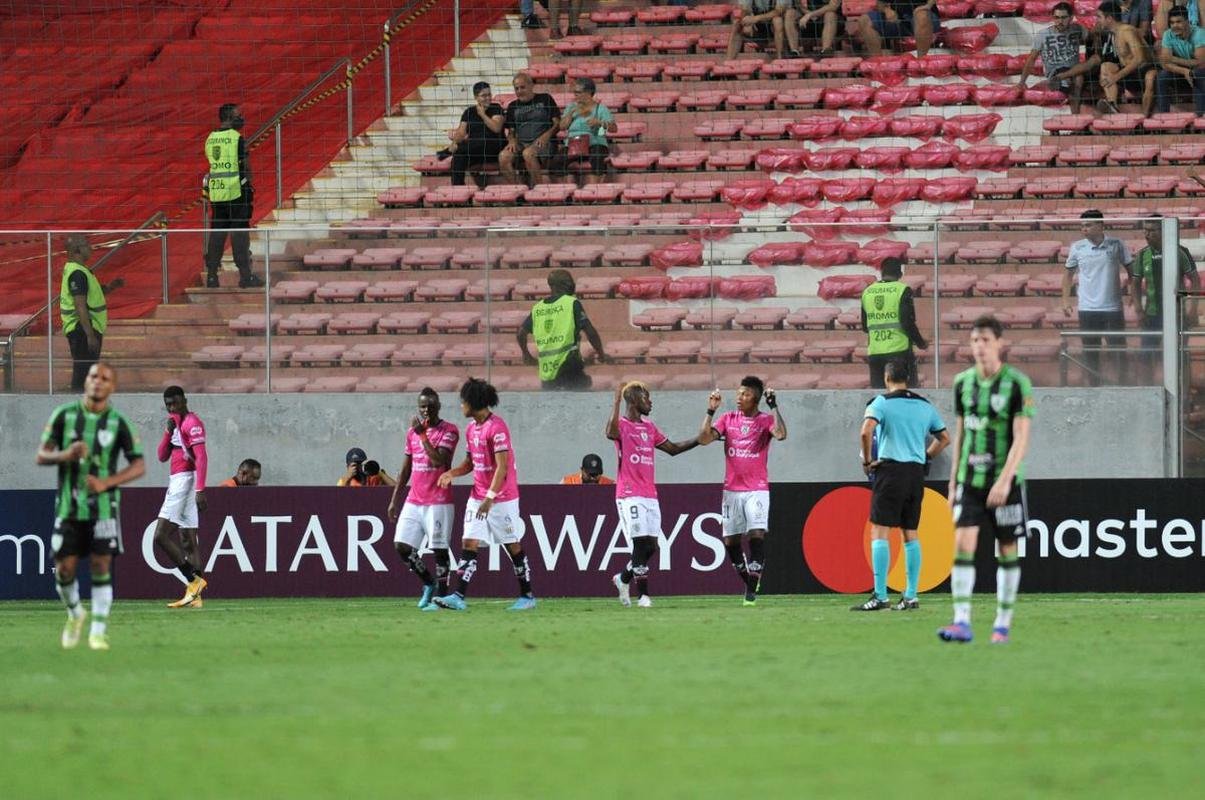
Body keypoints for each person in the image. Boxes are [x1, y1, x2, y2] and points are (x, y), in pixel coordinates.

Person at [939, 316, 1034, 645]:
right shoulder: (963, 383)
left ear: (999, 343)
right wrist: (953, 483)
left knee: (1006, 548)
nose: (978, 346)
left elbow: (1021, 438)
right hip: (970, 480)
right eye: (974, 340)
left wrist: (1005, 481)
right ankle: (961, 621)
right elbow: (962, 433)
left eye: (984, 340)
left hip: (1003, 483)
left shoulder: (1017, 384)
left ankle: (1002, 624)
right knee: (963, 543)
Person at [37, 362, 145, 651]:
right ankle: (75, 614)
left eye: (105, 378)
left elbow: (139, 464)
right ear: (85, 382)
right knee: (64, 570)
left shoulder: (119, 422)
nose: (98, 381)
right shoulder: (64, 415)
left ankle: (98, 631)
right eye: (93, 376)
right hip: (69, 508)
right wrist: (66, 454)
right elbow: (42, 455)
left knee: (100, 564)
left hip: (104, 508)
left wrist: (107, 482)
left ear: (113, 387)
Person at [853, 360, 950, 612]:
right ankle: (910, 596)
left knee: (880, 532)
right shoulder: (924, 405)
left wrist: (867, 461)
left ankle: (881, 595)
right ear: (908, 378)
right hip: (915, 474)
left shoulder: (881, 403)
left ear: (886, 378)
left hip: (890, 470)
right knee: (910, 532)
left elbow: (866, 431)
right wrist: (926, 456)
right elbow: (944, 438)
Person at [434, 378, 537, 611]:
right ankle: (458, 596)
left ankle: (527, 596)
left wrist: (490, 498)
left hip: (502, 498)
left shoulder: (497, 428)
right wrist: (452, 473)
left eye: (463, 401)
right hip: (478, 496)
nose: (461, 405)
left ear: (474, 402)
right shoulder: (471, 429)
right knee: (469, 541)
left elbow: (502, 467)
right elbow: (470, 463)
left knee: (512, 545)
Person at [606, 381, 702, 608]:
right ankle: (644, 597)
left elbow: (673, 449)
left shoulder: (650, 428)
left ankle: (623, 578)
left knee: (651, 547)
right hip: (629, 493)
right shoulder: (620, 425)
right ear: (634, 400)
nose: (650, 402)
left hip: (650, 494)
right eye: (646, 397)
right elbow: (610, 432)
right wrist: (617, 401)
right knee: (639, 543)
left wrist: (700, 439)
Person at [698, 377, 787, 605]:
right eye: (738, 394)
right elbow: (704, 439)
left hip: (757, 489)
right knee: (730, 542)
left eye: (745, 394)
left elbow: (780, 433)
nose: (739, 398)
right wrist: (710, 410)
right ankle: (749, 579)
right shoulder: (728, 419)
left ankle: (750, 592)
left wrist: (774, 406)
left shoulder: (765, 420)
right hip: (732, 490)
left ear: (756, 398)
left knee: (756, 534)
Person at [387, 388, 460, 609]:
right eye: (422, 406)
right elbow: (406, 469)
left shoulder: (449, 431)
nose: (426, 410)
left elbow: (439, 461)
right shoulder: (412, 433)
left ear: (438, 406)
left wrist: (422, 435)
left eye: (430, 405)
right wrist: (394, 500)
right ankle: (428, 583)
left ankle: (442, 598)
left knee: (439, 550)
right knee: (401, 546)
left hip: (438, 500)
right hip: (414, 500)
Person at [153, 386, 211, 610]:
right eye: (168, 405)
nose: (172, 407)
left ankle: (194, 580)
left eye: (176, 403)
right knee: (188, 539)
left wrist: (200, 489)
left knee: (160, 536)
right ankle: (195, 597)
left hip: (184, 481)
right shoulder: (175, 423)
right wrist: (168, 432)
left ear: (185, 400)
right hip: (180, 479)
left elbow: (202, 457)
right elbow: (161, 455)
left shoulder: (192, 423)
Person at [1063, 209, 1132, 386]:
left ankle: (1123, 385)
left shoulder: (1116, 244)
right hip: (1087, 309)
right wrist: (1065, 301)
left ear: (1101, 226)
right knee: (1090, 351)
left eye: (1088, 225)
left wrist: (1133, 293)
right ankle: (1093, 386)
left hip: (1112, 308)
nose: (1084, 229)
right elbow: (1068, 275)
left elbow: (1132, 271)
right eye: (1082, 226)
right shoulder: (1077, 247)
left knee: (1118, 350)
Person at [1130, 214, 1200, 384]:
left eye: (1152, 231)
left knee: (1179, 355)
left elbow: (1195, 280)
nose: (1147, 234)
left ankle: (1183, 397)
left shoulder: (1180, 252)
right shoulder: (1142, 255)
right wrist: (1139, 309)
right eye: (1145, 231)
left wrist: (1192, 308)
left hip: (1176, 314)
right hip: (1151, 315)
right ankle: (1148, 393)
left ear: (1163, 231)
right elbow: (1135, 283)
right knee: (1146, 356)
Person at [203, 103, 264, 289]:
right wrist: (249, 185)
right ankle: (245, 276)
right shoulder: (237, 138)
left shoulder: (210, 138)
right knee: (240, 236)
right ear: (229, 117)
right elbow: (245, 166)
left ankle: (212, 276)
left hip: (217, 193)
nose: (241, 118)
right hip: (237, 192)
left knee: (217, 235)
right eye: (238, 115)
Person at [517, 269, 607, 390]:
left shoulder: (538, 308)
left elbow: (521, 334)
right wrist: (601, 353)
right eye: (567, 281)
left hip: (547, 371)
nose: (570, 284)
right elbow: (590, 332)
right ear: (554, 285)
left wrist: (526, 354)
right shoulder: (571, 303)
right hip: (569, 366)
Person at [60, 234, 123, 392]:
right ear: (77, 250)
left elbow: (92, 295)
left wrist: (110, 287)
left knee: (86, 371)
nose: (90, 248)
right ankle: (79, 406)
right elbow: (80, 305)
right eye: (86, 246)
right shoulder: (77, 274)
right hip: (82, 329)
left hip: (85, 328)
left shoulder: (81, 271)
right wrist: (90, 335)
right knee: (83, 373)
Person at [861, 256, 928, 389]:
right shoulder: (902, 290)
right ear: (900, 274)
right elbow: (907, 322)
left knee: (879, 397)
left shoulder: (867, 292)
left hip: (875, 353)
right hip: (899, 352)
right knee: (906, 395)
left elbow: (865, 326)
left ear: (881, 273)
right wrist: (921, 343)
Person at [1016, 3, 1089, 113]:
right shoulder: (1043, 35)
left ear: (1071, 17)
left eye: (1064, 17)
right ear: (1052, 17)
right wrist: (1022, 82)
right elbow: (1031, 59)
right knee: (1077, 79)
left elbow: (1094, 37)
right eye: (1057, 17)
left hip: (1074, 69)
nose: (1060, 21)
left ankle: (1080, 116)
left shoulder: (1077, 29)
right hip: (1055, 72)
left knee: (1082, 77)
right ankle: (1076, 116)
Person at [438, 81, 507, 187]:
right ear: (476, 97)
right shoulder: (469, 111)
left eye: (489, 94)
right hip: (474, 150)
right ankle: (458, 191)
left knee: (476, 143)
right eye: (484, 96)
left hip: (494, 148)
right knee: (458, 157)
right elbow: (461, 132)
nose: (488, 98)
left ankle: (447, 152)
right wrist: (455, 142)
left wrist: (483, 115)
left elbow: (496, 128)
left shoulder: (496, 108)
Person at [1096, 1, 1157, 115]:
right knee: (1106, 66)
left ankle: (1144, 119)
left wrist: (1116, 77)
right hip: (1130, 73)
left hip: (1143, 72)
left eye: (1099, 17)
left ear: (1109, 18)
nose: (1097, 20)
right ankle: (1112, 104)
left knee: (1151, 77)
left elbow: (1140, 58)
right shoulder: (1115, 32)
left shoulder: (1127, 31)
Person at [500, 73, 561, 187]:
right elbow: (511, 131)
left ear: (531, 85)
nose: (519, 91)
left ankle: (540, 190)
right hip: (521, 143)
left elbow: (557, 124)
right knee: (503, 156)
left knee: (528, 154)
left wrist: (546, 135)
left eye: (522, 87)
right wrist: (512, 140)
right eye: (516, 88)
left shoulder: (545, 99)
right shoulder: (512, 106)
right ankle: (518, 190)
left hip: (544, 142)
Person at [559, 77, 617, 184]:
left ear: (589, 92)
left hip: (594, 143)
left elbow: (614, 128)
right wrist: (571, 114)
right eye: (574, 92)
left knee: (597, 157)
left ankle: (594, 191)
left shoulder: (600, 108)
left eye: (578, 92)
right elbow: (562, 126)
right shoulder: (571, 107)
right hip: (573, 144)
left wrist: (600, 123)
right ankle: (563, 191)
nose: (575, 95)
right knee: (557, 161)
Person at [1154, 6, 1205, 115]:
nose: (1175, 26)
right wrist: (1184, 71)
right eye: (1172, 23)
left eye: (1178, 22)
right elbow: (1165, 64)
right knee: (1162, 76)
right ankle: (1163, 117)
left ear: (1187, 21)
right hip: (1181, 71)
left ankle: (1201, 116)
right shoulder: (1168, 34)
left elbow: (1200, 63)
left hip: (1201, 71)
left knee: (1197, 74)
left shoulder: (1199, 34)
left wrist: (1173, 58)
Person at [853, 0, 941, 57]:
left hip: (926, 18)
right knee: (864, 20)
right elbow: (880, 4)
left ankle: (921, 62)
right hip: (899, 20)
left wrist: (928, 6)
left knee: (921, 16)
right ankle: (878, 63)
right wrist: (887, 10)